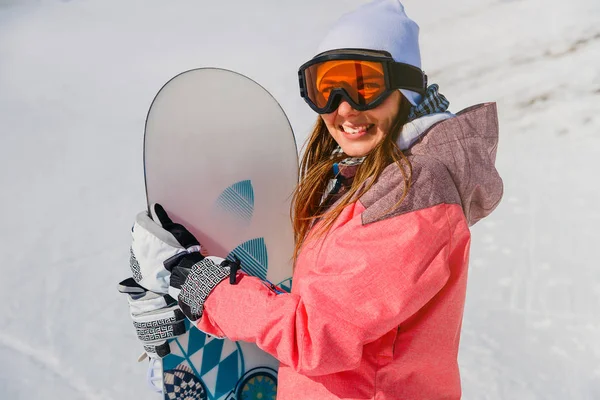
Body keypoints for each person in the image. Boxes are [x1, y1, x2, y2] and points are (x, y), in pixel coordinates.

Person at [120, 0, 503, 398]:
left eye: (366, 86)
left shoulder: (413, 196)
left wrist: (201, 286)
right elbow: (327, 308)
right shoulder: (368, 184)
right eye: (325, 88)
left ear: (405, 88)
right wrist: (183, 296)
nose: (344, 108)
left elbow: (317, 336)